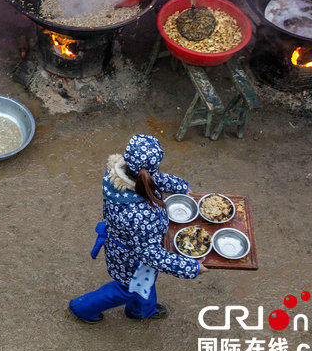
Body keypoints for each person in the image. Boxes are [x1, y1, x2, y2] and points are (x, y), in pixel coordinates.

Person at [69, 134, 208, 323]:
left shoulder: (119, 173)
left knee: (145, 282)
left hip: (128, 247)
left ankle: (141, 311)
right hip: (130, 260)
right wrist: (190, 267)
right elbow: (151, 255)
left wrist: (181, 187)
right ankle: (82, 308)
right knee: (126, 288)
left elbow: (154, 178)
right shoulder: (140, 215)